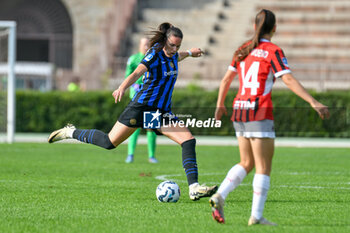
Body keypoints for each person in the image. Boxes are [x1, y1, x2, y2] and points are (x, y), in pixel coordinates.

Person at [48, 22, 218, 201]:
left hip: (159, 113)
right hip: (141, 107)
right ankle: (70, 132)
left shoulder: (173, 55)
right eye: (172, 45)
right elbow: (137, 72)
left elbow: (178, 57)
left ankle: (194, 188)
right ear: (165, 42)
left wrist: (190, 53)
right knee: (109, 142)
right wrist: (122, 87)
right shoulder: (154, 54)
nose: (175, 49)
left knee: (188, 140)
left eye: (178, 46)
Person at [209, 9, 330, 225]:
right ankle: (256, 216)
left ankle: (220, 195)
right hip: (259, 110)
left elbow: (226, 79)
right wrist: (313, 101)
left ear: (255, 27)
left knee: (247, 162)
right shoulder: (273, 51)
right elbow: (289, 80)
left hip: (239, 108)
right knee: (263, 166)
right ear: (274, 29)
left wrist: (220, 105)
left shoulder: (243, 49)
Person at [124, 37, 158, 164]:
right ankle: (130, 154)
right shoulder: (133, 59)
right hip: (137, 97)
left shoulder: (154, 59)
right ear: (140, 45)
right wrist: (134, 86)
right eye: (144, 44)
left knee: (151, 126)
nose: (146, 47)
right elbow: (128, 76)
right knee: (134, 126)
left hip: (151, 97)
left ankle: (152, 156)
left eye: (148, 44)